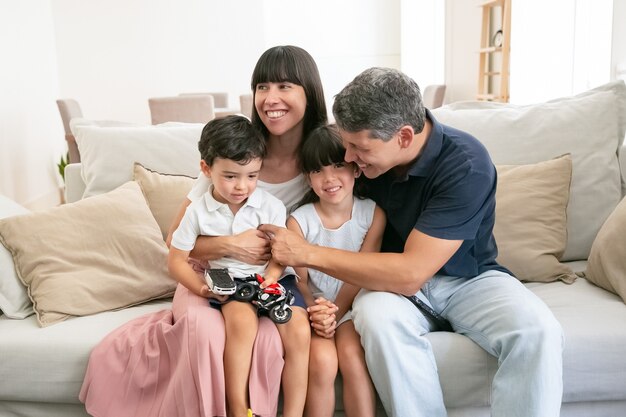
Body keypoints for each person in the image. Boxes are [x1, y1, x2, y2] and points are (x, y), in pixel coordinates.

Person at [259, 67, 564, 417]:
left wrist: (307, 253)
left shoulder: (465, 163)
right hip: (385, 287)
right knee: (376, 318)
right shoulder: (359, 165)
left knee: (537, 331)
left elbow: (411, 273)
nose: (348, 157)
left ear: (404, 137)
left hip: (469, 280)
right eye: (346, 143)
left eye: (358, 147)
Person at [79, 45, 328, 417]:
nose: (270, 98)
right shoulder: (228, 156)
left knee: (286, 328)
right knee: (215, 329)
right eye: (262, 87)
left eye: (284, 86)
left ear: (309, 91)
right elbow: (176, 242)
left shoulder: (324, 159)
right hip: (215, 274)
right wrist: (233, 246)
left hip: (274, 278)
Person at [168, 115, 310, 417]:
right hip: (232, 281)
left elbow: (279, 254)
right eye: (230, 176)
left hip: (273, 281)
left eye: (252, 176)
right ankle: (238, 409)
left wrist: (270, 279)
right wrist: (202, 288)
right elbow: (176, 259)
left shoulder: (270, 205)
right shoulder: (197, 212)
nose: (242, 186)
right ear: (206, 169)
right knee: (242, 325)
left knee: (298, 329)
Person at [287, 125, 385, 417]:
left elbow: (363, 272)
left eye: (339, 166)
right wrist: (319, 314)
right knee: (322, 362)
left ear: (356, 168)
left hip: (351, 307)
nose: (329, 179)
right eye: (318, 171)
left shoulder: (373, 214)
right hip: (314, 311)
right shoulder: (299, 221)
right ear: (308, 178)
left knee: (353, 358)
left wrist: (336, 312)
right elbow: (300, 282)